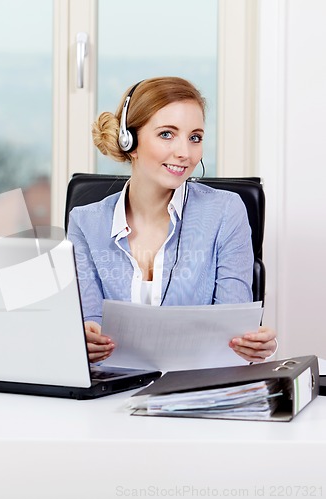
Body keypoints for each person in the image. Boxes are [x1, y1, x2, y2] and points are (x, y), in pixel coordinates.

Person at [67, 76, 277, 365]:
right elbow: (88, 322)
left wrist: (252, 344)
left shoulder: (226, 212)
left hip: (196, 392)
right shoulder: (84, 223)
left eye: (195, 137)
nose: (185, 153)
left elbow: (234, 328)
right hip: (112, 395)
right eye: (167, 134)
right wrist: (85, 339)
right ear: (131, 141)